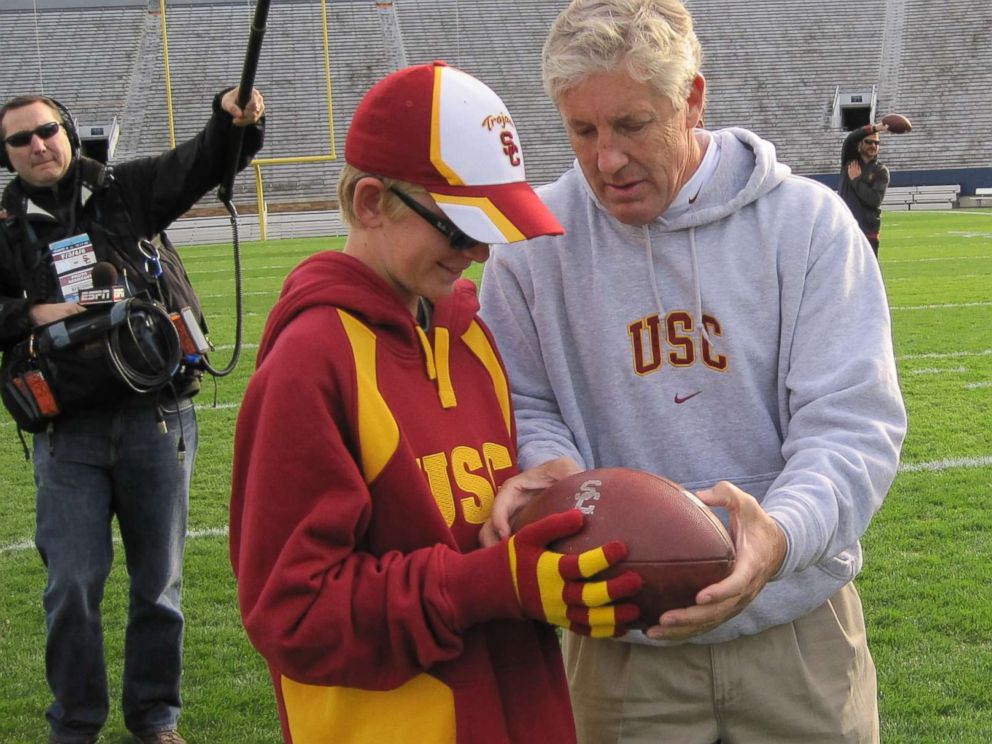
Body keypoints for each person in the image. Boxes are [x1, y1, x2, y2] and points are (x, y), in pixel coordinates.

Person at [478, 1, 907, 742]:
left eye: (632, 125)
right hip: (618, 642)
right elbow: (527, 400)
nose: (606, 159)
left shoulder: (807, 224)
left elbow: (851, 425)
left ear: (692, 100)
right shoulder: (530, 247)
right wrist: (553, 474)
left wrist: (778, 536)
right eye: (583, 130)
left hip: (797, 631)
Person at [229, 61, 642, 744]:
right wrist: (490, 585)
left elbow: (471, 525)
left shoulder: (471, 338)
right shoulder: (311, 363)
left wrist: (537, 506)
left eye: (490, 229)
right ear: (370, 203)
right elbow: (292, 612)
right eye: (458, 228)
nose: (479, 254)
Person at [0, 87, 265, 744]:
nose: (38, 144)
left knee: (159, 587)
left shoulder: (124, 190)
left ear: (68, 132)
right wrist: (31, 314)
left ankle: (155, 719)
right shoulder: (4, 229)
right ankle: (76, 725)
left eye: (48, 130)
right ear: (6, 155)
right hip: (68, 436)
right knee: (71, 586)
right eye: (21, 139)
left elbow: (203, 161)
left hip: (156, 422)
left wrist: (233, 117)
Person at [838, 122, 892, 256]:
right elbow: (850, 139)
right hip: (846, 226)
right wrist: (874, 128)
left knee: (869, 274)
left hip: (868, 229)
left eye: (876, 143)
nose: (873, 146)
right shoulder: (849, 161)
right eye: (869, 142)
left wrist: (856, 180)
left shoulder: (881, 171)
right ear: (860, 144)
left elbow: (874, 200)